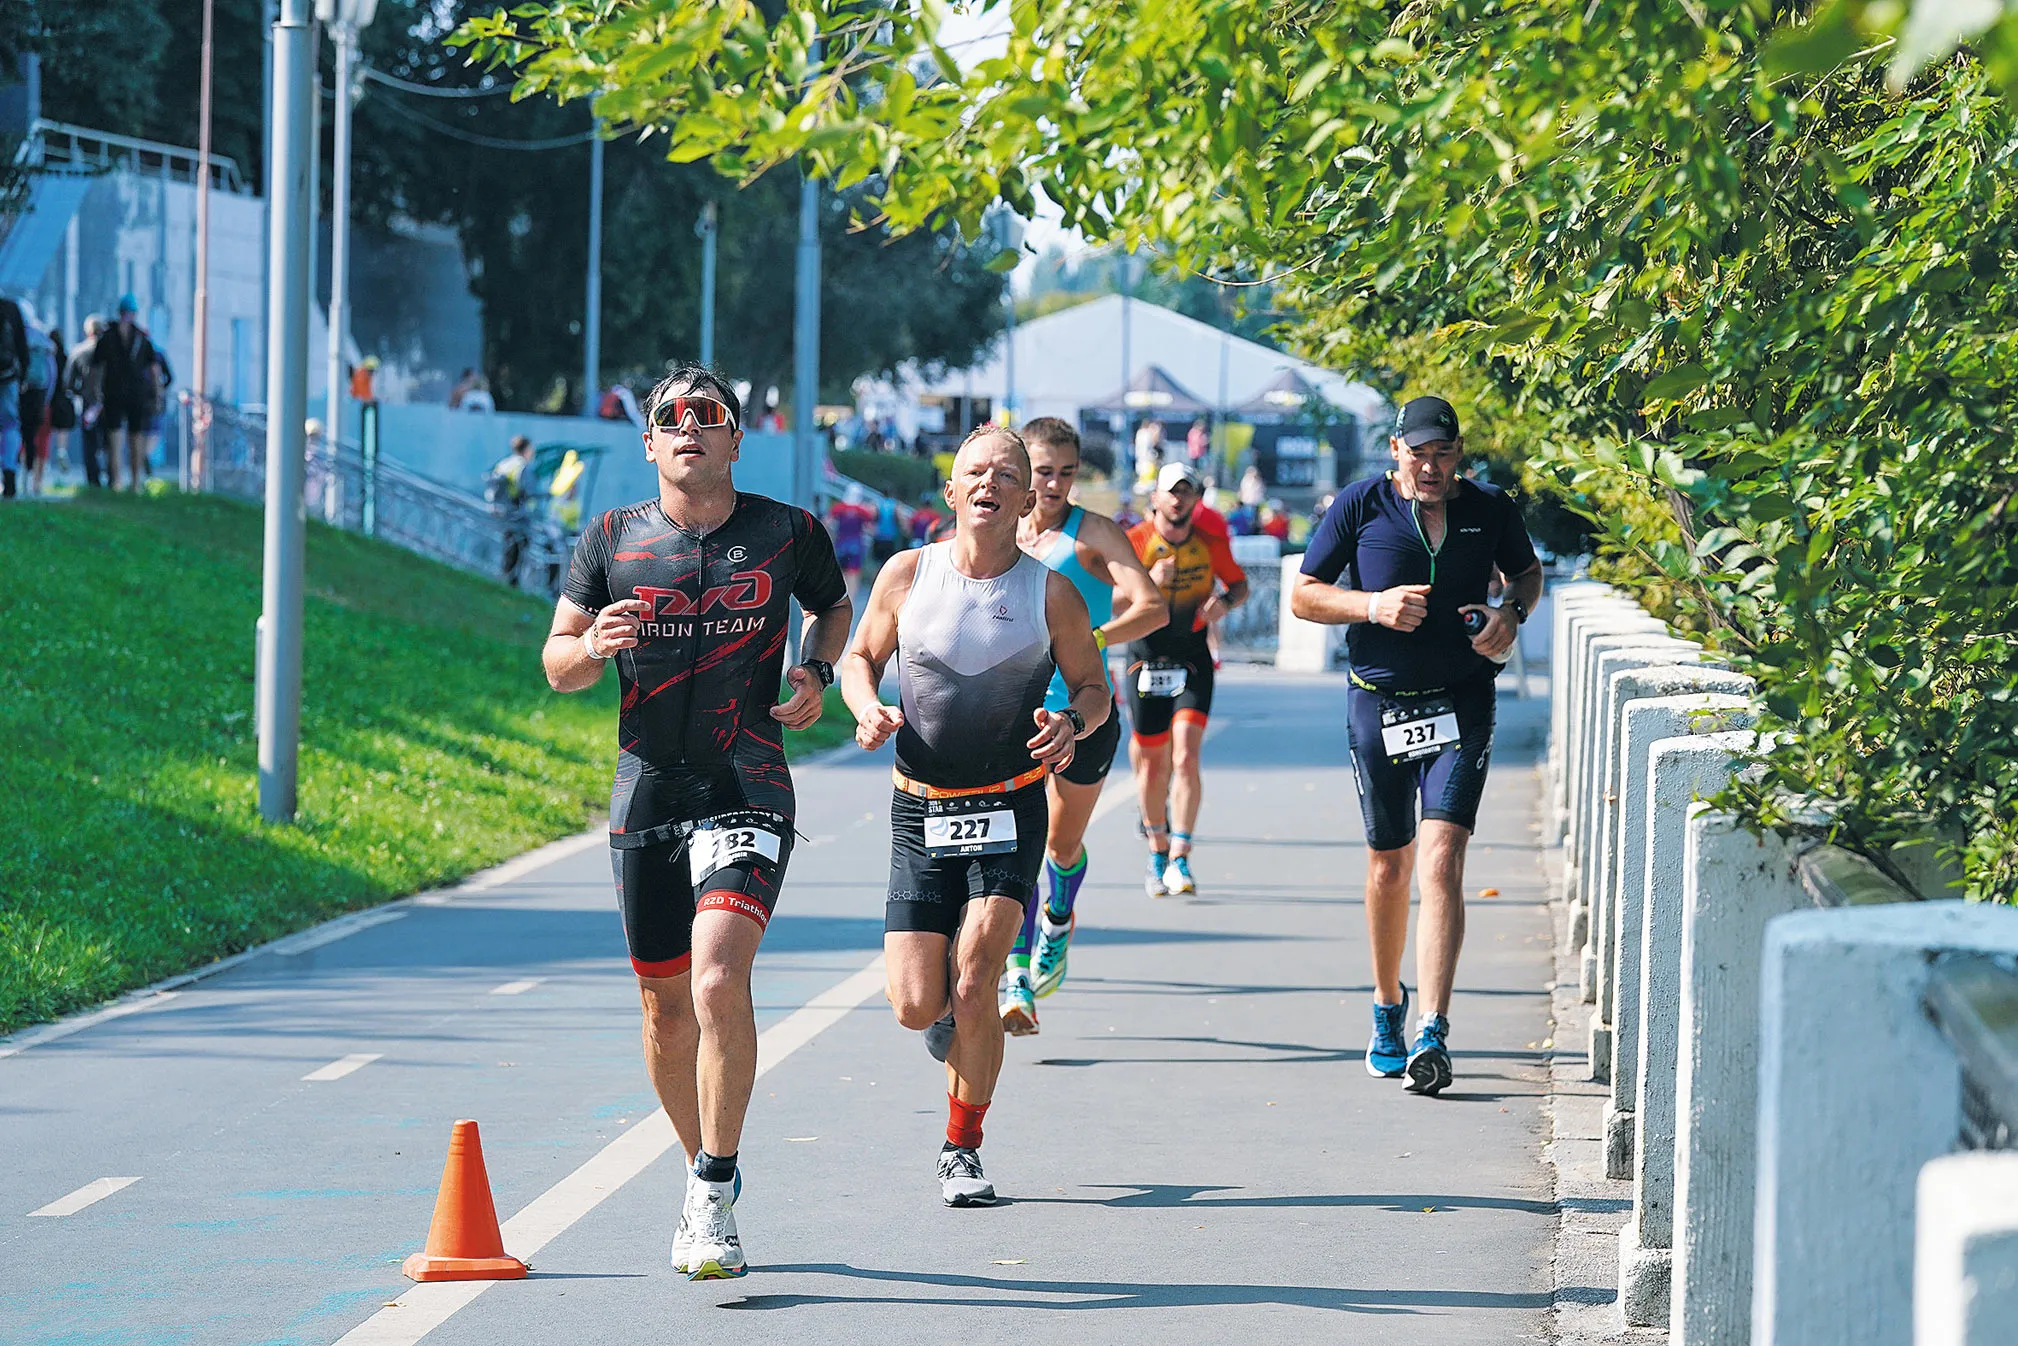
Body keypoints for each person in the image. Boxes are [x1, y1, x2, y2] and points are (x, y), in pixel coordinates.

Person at [543, 364, 852, 1278]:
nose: (689, 429)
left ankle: (713, 1194)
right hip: (646, 787)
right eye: (670, 419)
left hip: (746, 777)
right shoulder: (610, 538)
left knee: (719, 982)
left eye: (707, 416)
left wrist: (815, 671)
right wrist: (590, 646)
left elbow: (833, 608)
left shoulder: (788, 533)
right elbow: (556, 660)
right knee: (666, 1008)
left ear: (734, 438)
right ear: (648, 443)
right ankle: (701, 1169)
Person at [840, 424, 1109, 1207]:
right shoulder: (905, 574)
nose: (990, 483)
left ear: (1029, 501)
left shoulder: (1050, 592)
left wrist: (1074, 724)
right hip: (920, 809)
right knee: (917, 1004)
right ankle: (950, 1022)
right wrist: (864, 708)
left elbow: (1093, 689)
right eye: (974, 473)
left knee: (979, 974)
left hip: (1009, 805)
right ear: (952, 494)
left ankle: (963, 1147)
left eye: (1007, 474)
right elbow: (860, 657)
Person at [1289, 395, 1543, 1096]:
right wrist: (1370, 605)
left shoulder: (1490, 509)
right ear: (1395, 450)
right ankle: (1386, 1006)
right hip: (1379, 703)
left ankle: (1433, 1029)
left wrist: (1510, 614)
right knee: (1388, 867)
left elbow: (1527, 573)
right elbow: (1305, 595)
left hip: (1463, 700)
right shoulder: (1359, 505)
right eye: (1419, 453)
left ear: (1459, 454)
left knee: (1443, 858)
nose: (1431, 467)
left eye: (1444, 453)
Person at [999, 417, 1167, 1034]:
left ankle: (1058, 925)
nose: (1055, 485)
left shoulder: (1093, 533)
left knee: (1059, 846)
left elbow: (1150, 606)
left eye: (1068, 474)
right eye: (1044, 472)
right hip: (1012, 715)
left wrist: (1090, 637)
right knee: (1015, 846)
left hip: (1085, 712)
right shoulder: (997, 529)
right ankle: (1017, 974)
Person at [1126, 462, 1249, 896]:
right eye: (1171, 492)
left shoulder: (1210, 543)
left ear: (1196, 499)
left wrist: (1223, 603)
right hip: (1145, 659)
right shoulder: (1135, 543)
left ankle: (1179, 855)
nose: (1178, 499)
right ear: (1155, 499)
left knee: (1185, 757)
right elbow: (1114, 599)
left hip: (1191, 658)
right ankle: (1156, 846)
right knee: (1150, 759)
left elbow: (1238, 585)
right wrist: (1147, 584)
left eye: (1187, 492)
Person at [91, 295, 166, 492]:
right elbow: (154, 370)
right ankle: (135, 482)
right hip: (137, 394)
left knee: (115, 439)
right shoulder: (142, 338)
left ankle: (116, 482)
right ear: (134, 314)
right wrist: (158, 395)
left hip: (113, 392)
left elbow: (97, 368)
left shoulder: (107, 337)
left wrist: (95, 393)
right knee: (136, 438)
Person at [66, 316, 107, 488]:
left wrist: (80, 392)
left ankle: (93, 479)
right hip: (108, 402)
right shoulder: (110, 352)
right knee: (109, 440)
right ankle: (113, 475)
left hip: (87, 403)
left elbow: (68, 382)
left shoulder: (78, 351)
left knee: (89, 442)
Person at [489, 435, 536, 586]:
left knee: (508, 543)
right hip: (517, 511)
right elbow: (527, 490)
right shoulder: (523, 466)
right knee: (519, 545)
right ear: (526, 449)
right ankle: (512, 579)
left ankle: (505, 575)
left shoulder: (504, 463)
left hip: (503, 509)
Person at [0, 292, 27, 499]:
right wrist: (23, 376)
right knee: (10, 425)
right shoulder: (11, 308)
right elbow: (21, 344)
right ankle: (9, 473)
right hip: (8, 377)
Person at [826, 484, 874, 600]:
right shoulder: (862, 510)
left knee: (840, 573)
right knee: (853, 575)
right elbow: (870, 529)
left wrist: (833, 535)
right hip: (856, 544)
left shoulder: (839, 508)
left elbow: (827, 522)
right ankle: (850, 600)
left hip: (841, 543)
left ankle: (839, 599)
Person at [45, 326, 74, 489]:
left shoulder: (47, 357)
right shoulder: (66, 356)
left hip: (48, 399)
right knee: (63, 429)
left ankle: (45, 459)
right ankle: (61, 451)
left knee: (46, 431)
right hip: (63, 397)